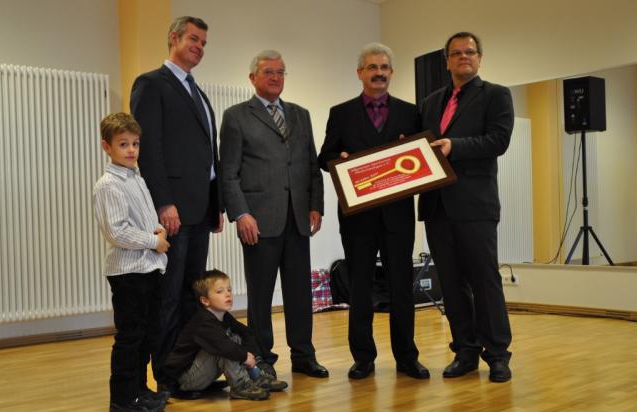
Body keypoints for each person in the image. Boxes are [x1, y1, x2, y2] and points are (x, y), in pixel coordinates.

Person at [318, 42, 428, 380]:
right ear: (360, 73)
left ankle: (407, 357)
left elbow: (422, 158)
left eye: (383, 67)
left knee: (401, 288)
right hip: (357, 218)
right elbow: (324, 157)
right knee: (360, 288)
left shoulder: (411, 112)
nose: (378, 73)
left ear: (391, 72)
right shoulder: (341, 113)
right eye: (372, 67)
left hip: (398, 217)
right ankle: (363, 358)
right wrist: (341, 161)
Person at [219, 50, 327, 379]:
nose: (276, 77)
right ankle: (262, 358)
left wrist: (316, 205)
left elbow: (311, 165)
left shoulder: (300, 115)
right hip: (258, 221)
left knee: (300, 293)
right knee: (261, 295)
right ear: (253, 77)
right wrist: (241, 214)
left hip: (297, 218)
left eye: (281, 72)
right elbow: (228, 173)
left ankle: (304, 355)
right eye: (268, 72)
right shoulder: (236, 116)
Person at [130, 16, 223, 392]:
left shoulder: (198, 92)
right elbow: (149, 150)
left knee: (192, 296)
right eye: (193, 39)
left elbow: (209, 156)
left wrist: (216, 204)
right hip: (174, 212)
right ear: (173, 38)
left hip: (200, 210)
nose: (199, 47)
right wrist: (164, 203)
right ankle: (166, 376)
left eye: (204, 43)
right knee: (167, 297)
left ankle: (189, 374)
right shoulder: (151, 84)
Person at [418, 32, 514, 382]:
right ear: (447, 61)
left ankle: (498, 354)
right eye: (456, 53)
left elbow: (498, 141)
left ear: (479, 58)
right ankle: (465, 351)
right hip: (437, 206)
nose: (463, 57)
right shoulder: (430, 102)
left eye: (469, 52)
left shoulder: (496, 95)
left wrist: (454, 147)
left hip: (475, 206)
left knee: (485, 281)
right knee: (451, 283)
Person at [93, 112, 170, 412]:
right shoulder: (108, 185)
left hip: (148, 267)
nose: (131, 150)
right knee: (130, 337)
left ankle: (140, 390)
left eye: (135, 144)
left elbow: (146, 218)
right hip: (127, 272)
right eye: (123, 144)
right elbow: (117, 232)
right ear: (107, 146)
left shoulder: (136, 178)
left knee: (147, 336)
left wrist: (159, 231)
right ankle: (123, 400)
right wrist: (154, 241)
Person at [163, 270, 288, 401]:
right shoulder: (203, 321)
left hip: (201, 371)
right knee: (224, 346)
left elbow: (247, 333)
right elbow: (223, 347)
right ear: (205, 301)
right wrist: (244, 357)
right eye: (220, 291)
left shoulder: (224, 316)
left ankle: (256, 377)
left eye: (229, 290)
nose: (227, 294)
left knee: (236, 338)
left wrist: (250, 356)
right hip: (186, 379)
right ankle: (240, 386)